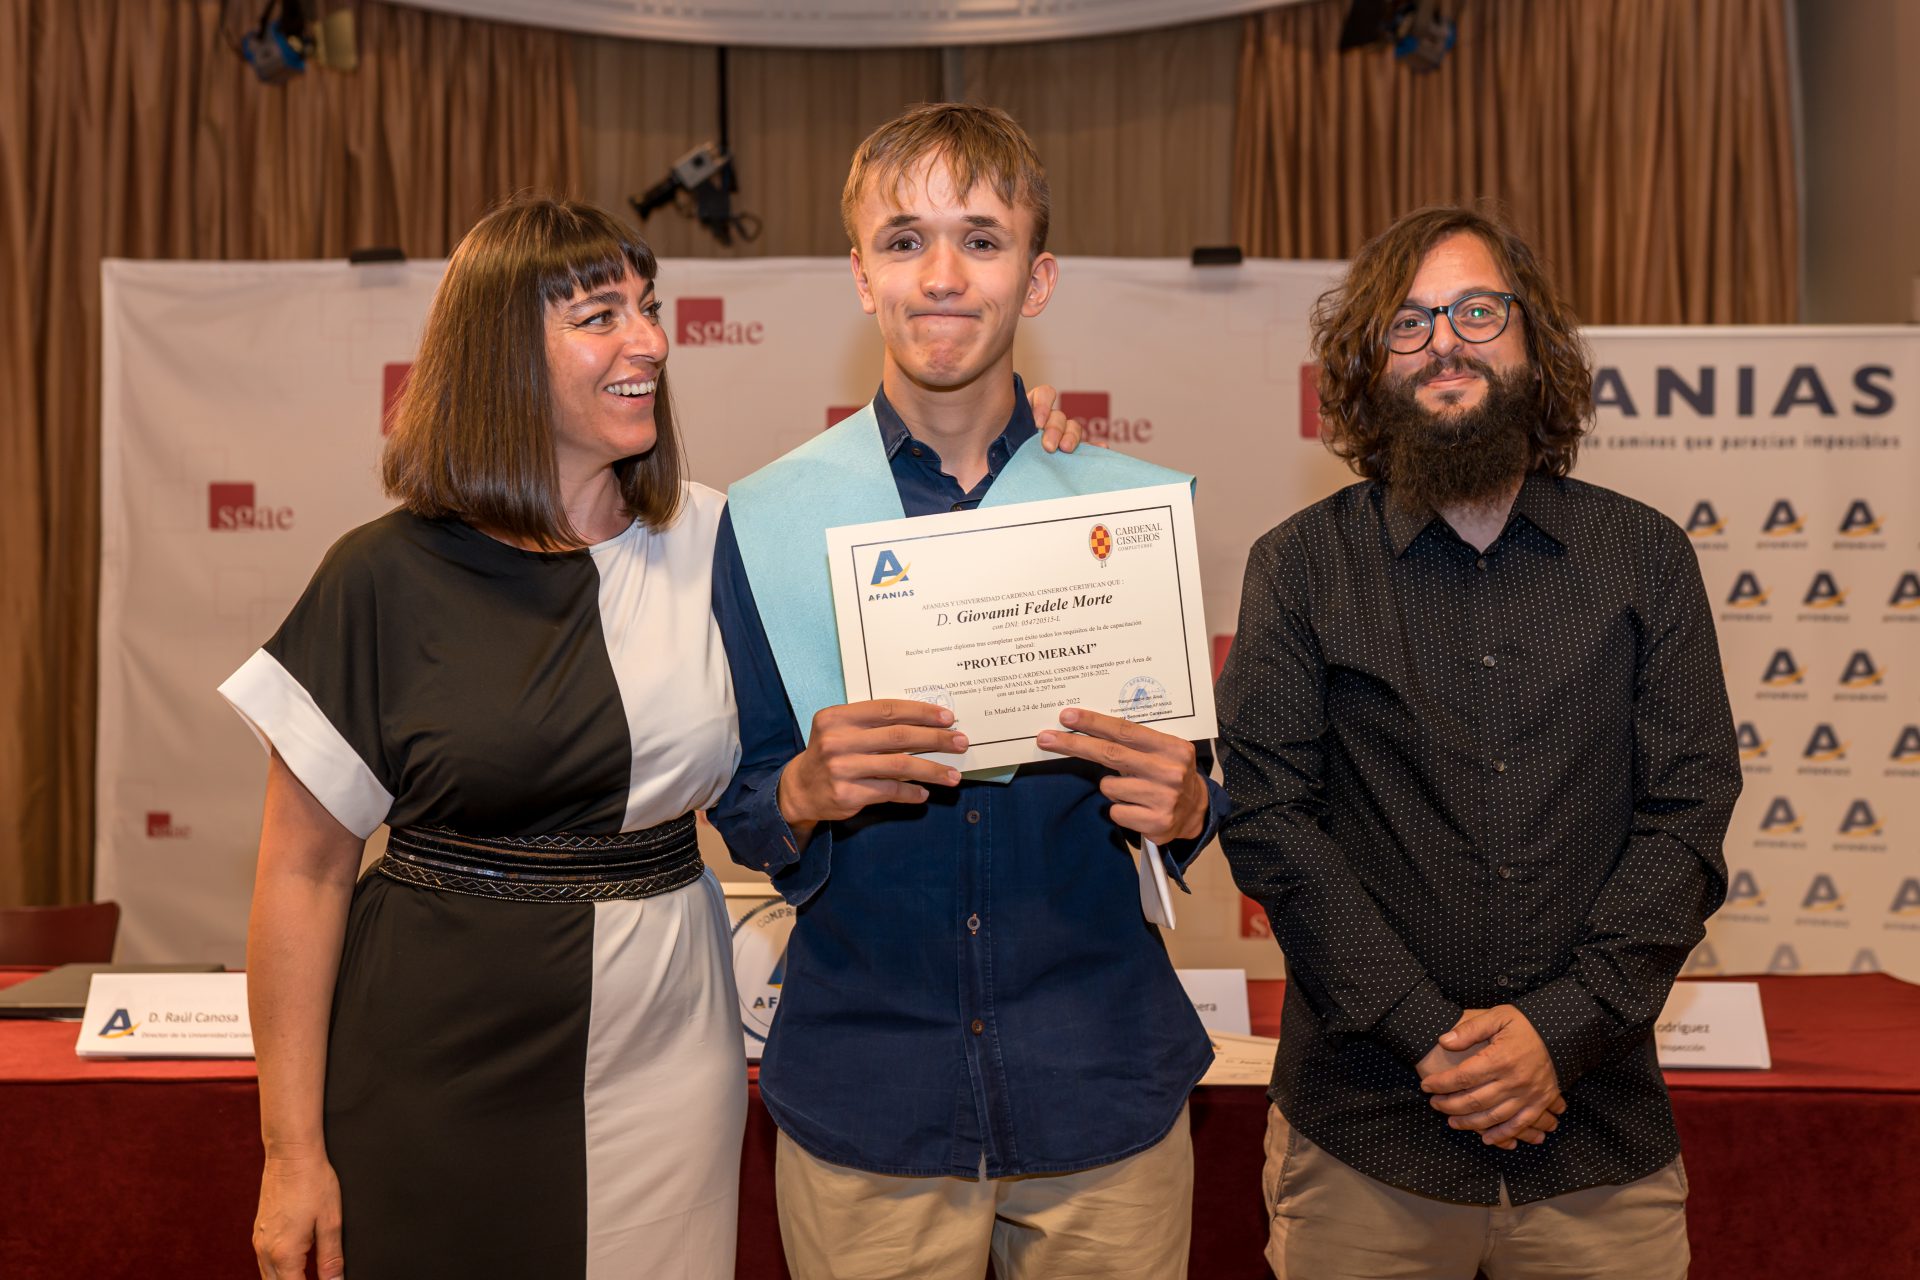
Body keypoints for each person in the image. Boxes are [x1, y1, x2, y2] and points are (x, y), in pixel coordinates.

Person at [219, 194, 1087, 1280]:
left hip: (668, 1054)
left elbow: (933, 577)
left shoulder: (727, 537)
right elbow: (300, 875)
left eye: (650, 306)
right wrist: (290, 1150)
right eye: (598, 315)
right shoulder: (379, 576)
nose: (650, 342)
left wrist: (1026, 446)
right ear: (498, 353)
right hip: (426, 1059)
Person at [708, 103, 1225, 1280]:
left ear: (1036, 279)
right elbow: (741, 797)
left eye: (981, 240)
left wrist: (1194, 806)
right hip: (868, 1097)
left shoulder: (1119, 508)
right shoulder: (771, 517)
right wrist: (797, 788)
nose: (941, 275)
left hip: (1102, 1089)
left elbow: (1204, 782)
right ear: (859, 273)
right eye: (904, 240)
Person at [1216, 205, 1742, 1279]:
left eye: (1475, 310)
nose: (1444, 340)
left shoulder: (1645, 558)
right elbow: (1270, 821)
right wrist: (1434, 1036)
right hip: (1365, 1140)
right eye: (1407, 323)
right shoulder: (1301, 565)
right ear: (1369, 365)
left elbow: (1687, 816)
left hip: (1596, 1141)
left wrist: (1560, 1029)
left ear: (1532, 344)